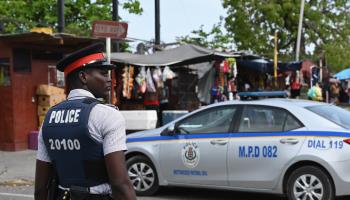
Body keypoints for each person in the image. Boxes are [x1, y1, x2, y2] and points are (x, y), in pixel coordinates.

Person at [34, 43, 136, 200]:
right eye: (103, 73)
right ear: (83, 77)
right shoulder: (107, 115)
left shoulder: (49, 118)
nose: (109, 80)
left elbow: (41, 187)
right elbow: (120, 184)